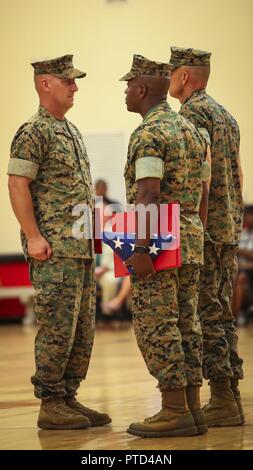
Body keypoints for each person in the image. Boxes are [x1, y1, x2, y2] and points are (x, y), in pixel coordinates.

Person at [7, 55, 111, 430]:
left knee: (82, 329)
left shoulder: (70, 130)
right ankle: (51, 402)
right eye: (68, 81)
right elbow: (17, 184)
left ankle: (68, 396)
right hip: (53, 251)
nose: (75, 87)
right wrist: (33, 235)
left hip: (80, 249)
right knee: (57, 327)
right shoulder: (33, 131)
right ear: (45, 84)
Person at [120, 54, 209, 437]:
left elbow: (147, 195)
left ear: (141, 90)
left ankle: (174, 410)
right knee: (188, 324)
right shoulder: (191, 130)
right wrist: (194, 232)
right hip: (189, 239)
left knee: (158, 326)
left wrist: (140, 251)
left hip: (159, 244)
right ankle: (191, 407)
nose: (124, 91)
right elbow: (204, 190)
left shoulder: (149, 134)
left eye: (127, 85)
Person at [168, 46, 244, 426]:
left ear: (184, 77)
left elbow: (203, 172)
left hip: (209, 229)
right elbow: (239, 175)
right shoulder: (226, 115)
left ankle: (222, 399)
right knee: (222, 313)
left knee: (208, 315)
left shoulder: (193, 113)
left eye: (171, 71)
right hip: (229, 226)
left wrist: (194, 224)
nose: (167, 78)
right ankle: (229, 395)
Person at [232, 205, 253, 324]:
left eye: (250, 215)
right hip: (239, 268)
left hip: (249, 273)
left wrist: (239, 250)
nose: (247, 218)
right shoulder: (242, 233)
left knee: (241, 278)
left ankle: (235, 315)